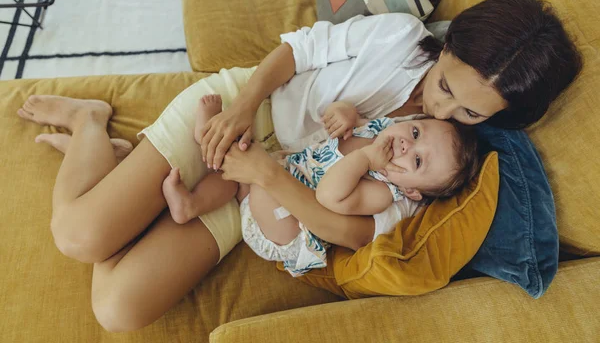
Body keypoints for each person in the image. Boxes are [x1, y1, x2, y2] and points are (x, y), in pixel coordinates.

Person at [16, 0, 581, 332]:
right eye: (444, 86)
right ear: (447, 46)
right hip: (248, 116)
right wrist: (239, 110)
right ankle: (91, 121)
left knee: (119, 309)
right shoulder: (399, 38)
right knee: (80, 236)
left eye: (470, 112)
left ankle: (124, 163)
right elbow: (299, 51)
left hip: (262, 191)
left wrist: (264, 177)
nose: (441, 109)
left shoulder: (443, 161)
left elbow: (348, 229)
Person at [162, 96, 480, 276]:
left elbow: (329, 196)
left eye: (418, 162)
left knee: (253, 170)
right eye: (416, 133)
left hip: (290, 228)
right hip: (287, 177)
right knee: (236, 180)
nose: (406, 147)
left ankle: (208, 138)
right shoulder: (382, 128)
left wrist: (367, 159)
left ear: (411, 191)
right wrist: (345, 113)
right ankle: (190, 204)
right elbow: (343, 125)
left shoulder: (382, 193)